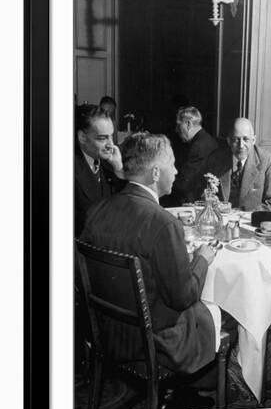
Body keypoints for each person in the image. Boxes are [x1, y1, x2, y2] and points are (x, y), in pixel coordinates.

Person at [81, 132, 224, 383]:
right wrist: (202, 259)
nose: (177, 172)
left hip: (107, 333)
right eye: (172, 164)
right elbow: (183, 298)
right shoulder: (163, 223)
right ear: (156, 173)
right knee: (219, 311)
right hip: (153, 344)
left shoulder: (97, 210)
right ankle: (202, 387)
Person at [203, 117, 271, 211]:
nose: (241, 145)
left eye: (246, 139)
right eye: (236, 140)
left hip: (250, 222)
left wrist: (242, 214)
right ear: (229, 141)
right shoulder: (216, 159)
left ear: (254, 140)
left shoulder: (267, 161)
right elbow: (202, 194)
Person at [75, 103, 125, 236]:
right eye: (103, 138)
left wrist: (119, 169)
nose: (111, 145)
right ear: (82, 137)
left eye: (111, 136)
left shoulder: (110, 162)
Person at [170, 106, 219, 205]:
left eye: (178, 125)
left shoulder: (198, 146)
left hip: (193, 202)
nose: (176, 130)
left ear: (188, 124)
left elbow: (183, 184)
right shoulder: (205, 139)